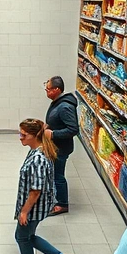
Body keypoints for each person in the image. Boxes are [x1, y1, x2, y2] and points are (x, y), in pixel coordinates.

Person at [7, 118, 75, 254]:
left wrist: (24, 211)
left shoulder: (38, 158)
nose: (20, 137)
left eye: (24, 135)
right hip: (40, 206)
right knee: (28, 236)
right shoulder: (39, 149)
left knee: (22, 237)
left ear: (35, 135)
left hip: (33, 209)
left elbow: (36, 190)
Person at [44, 76, 78, 215]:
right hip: (55, 146)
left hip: (61, 148)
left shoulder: (65, 107)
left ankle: (62, 204)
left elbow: (73, 129)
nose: (46, 91)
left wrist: (53, 134)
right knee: (54, 173)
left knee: (58, 175)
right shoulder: (57, 102)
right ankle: (55, 196)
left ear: (57, 90)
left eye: (48, 89)